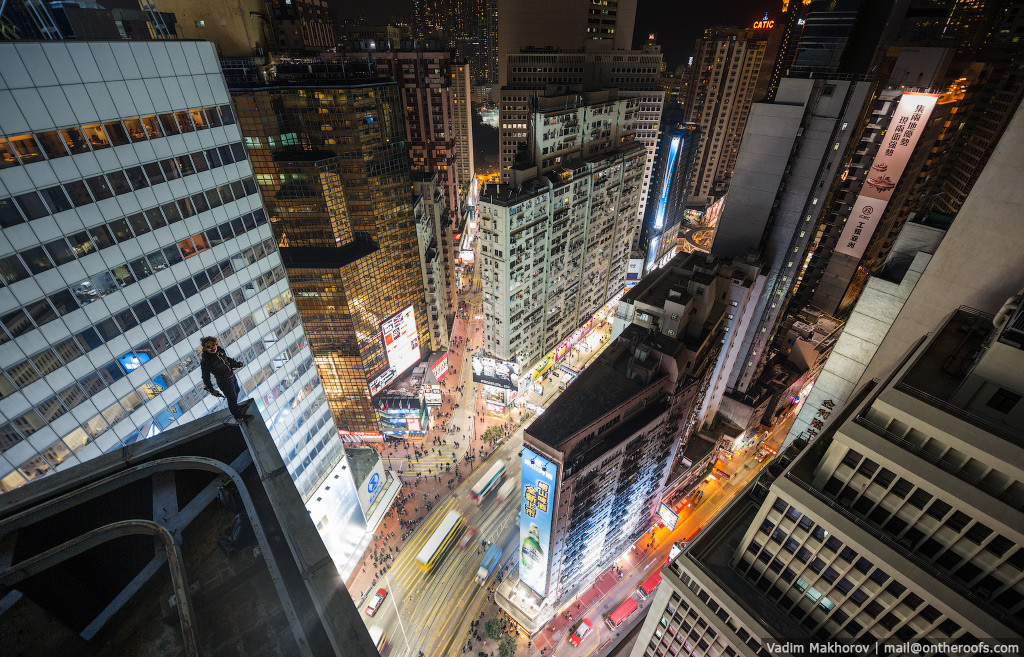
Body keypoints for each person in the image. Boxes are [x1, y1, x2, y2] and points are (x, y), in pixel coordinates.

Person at [200, 336, 252, 421]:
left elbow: (226, 359)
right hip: (224, 381)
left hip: (231, 376)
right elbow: (205, 377)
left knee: (236, 391)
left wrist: (236, 364)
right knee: (231, 398)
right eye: (208, 346)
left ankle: (235, 407)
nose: (212, 348)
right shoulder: (206, 361)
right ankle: (238, 417)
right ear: (205, 348)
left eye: (213, 345)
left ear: (216, 344)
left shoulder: (219, 350)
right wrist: (211, 390)